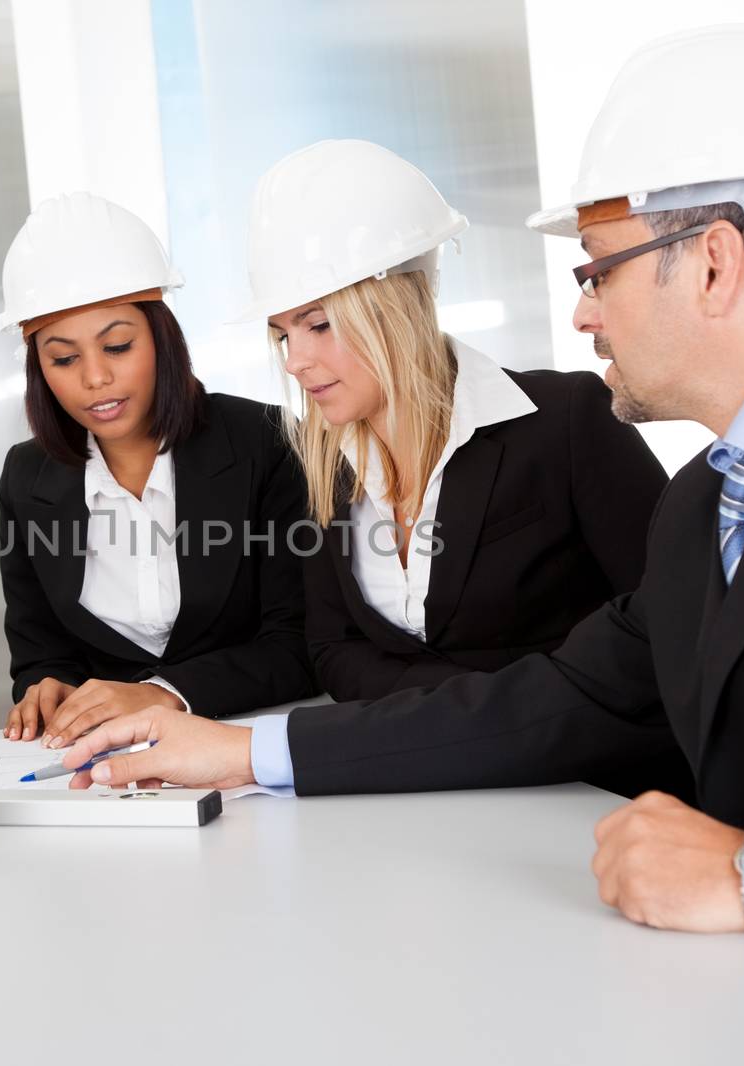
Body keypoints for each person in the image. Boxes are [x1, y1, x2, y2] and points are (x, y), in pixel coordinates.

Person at [59, 25, 744, 951]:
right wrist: (240, 753)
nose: (583, 311)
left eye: (599, 271)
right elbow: (546, 704)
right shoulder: (703, 510)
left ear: (715, 263)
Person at [244, 141, 678, 797]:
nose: (296, 361)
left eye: (319, 325)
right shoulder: (325, 466)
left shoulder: (564, 419)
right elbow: (332, 650)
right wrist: (450, 723)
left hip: (593, 796)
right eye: (283, 334)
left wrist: (456, 716)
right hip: (423, 793)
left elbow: (670, 630)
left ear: (394, 310)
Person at [0, 193, 316, 746]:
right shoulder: (26, 476)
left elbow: (301, 640)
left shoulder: (265, 441)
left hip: (256, 744)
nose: (94, 378)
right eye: (64, 358)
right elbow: (40, 649)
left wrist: (167, 692)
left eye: (117, 346)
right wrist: (45, 684)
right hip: (107, 758)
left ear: (162, 340)